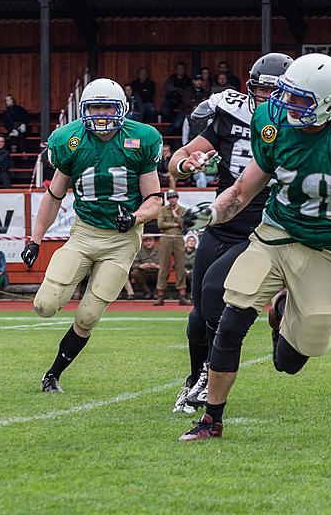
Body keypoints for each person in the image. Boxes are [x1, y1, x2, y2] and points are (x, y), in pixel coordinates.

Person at [180, 53, 331, 441]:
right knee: (232, 319)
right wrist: (203, 216)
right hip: (276, 234)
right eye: (285, 94)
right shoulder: (272, 123)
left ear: (328, 103)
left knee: (291, 361)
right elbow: (242, 191)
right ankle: (212, 418)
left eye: (298, 99)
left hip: (330, 250)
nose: (283, 104)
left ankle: (282, 313)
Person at [167, 53, 293, 414]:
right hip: (220, 222)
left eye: (275, 92)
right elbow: (181, 158)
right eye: (261, 89)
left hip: (259, 228)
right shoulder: (230, 113)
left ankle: (210, 376)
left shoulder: (296, 127)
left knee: (212, 294)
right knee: (197, 315)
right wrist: (186, 164)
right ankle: (194, 381)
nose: (266, 98)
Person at [20, 77, 163, 393]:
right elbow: (54, 195)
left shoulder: (142, 139)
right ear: (84, 110)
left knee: (87, 316)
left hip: (121, 240)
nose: (100, 114)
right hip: (84, 234)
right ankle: (66, 290)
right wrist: (35, 239)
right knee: (43, 306)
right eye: (94, 107)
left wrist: (136, 217)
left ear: (121, 109)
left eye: (106, 107)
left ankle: (53, 375)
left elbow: (154, 199)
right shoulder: (70, 141)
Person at [154, 189, 189, 306]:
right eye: (169, 198)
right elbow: (160, 225)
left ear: (177, 198)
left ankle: (182, 295)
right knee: (163, 267)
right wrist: (174, 224)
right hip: (166, 238)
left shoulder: (183, 210)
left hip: (178, 238)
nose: (172, 199)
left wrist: (175, 216)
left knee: (180, 267)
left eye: (173, 197)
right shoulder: (163, 210)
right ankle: (160, 295)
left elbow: (185, 224)